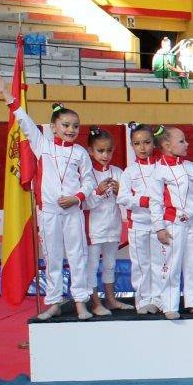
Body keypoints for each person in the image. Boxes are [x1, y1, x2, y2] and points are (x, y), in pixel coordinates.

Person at [0, 77, 94, 319]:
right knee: (53, 257)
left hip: (73, 212)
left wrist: (77, 197)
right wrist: (5, 91)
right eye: (65, 125)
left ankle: (80, 302)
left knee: (78, 256)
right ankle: (54, 302)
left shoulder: (80, 153)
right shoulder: (42, 146)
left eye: (75, 126)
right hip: (49, 213)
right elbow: (23, 120)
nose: (71, 130)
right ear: (54, 127)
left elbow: (88, 181)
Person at [149, 126, 193, 320]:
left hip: (192, 223)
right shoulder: (158, 171)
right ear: (167, 146)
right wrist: (159, 227)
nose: (187, 144)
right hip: (172, 224)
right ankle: (169, 304)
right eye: (182, 141)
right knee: (172, 264)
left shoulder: (191, 167)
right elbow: (155, 201)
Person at [117, 123, 162, 314]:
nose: (142, 148)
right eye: (137, 144)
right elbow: (122, 197)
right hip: (138, 224)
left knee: (160, 262)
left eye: (146, 142)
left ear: (154, 143)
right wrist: (142, 200)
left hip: (160, 224)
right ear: (131, 145)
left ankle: (159, 299)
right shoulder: (129, 171)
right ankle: (143, 300)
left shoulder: (162, 168)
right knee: (141, 263)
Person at [83, 128, 128, 316]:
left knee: (110, 264)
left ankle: (110, 299)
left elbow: (126, 200)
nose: (105, 155)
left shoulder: (117, 172)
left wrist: (120, 193)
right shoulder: (87, 174)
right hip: (93, 228)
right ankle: (95, 303)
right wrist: (98, 192)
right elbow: (84, 204)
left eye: (109, 151)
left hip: (113, 226)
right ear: (90, 151)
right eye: (100, 151)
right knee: (92, 265)